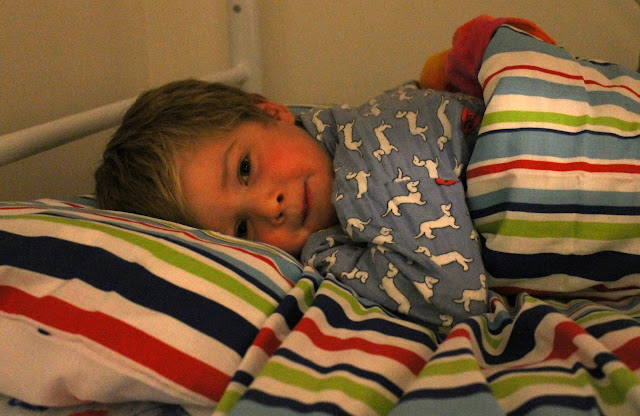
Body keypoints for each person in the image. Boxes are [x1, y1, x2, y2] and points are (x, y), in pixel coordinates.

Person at [95, 16, 571, 329]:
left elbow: (452, 300)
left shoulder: (366, 160)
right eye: (242, 229)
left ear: (272, 112)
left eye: (244, 169)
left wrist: (324, 254)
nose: (269, 206)